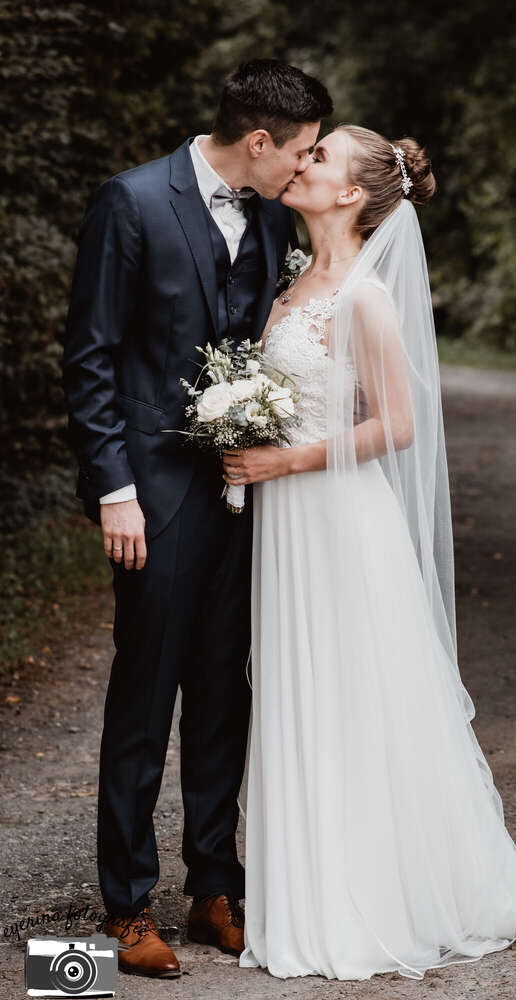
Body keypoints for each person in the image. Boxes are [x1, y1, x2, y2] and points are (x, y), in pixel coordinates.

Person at [222, 125, 516, 981]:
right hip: (288, 522)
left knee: (354, 693)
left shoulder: (364, 296)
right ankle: (307, 890)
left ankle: (374, 897)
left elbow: (397, 426)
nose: (301, 161)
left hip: (336, 515)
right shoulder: (292, 278)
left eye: (320, 156)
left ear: (352, 193)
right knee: (301, 684)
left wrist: (283, 460)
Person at [61, 59, 333, 979]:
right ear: (258, 141)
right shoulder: (132, 201)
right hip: (153, 494)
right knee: (145, 696)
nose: (302, 168)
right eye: (297, 152)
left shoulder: (271, 216)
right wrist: (114, 489)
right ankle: (125, 906)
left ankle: (214, 882)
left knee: (226, 691)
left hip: (246, 496)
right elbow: (91, 357)